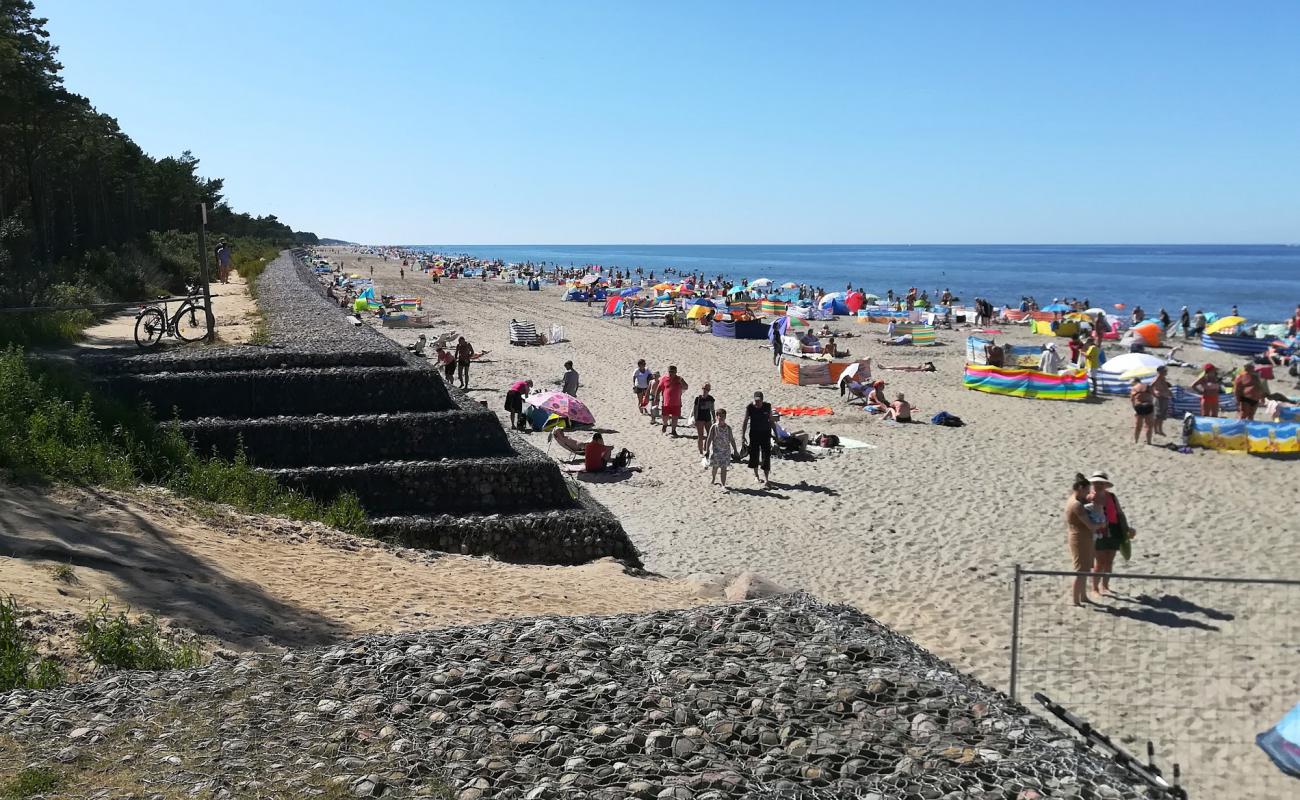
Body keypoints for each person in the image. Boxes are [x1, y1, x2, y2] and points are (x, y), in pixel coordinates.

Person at [1088, 472, 1132, 597]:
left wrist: (1126, 528)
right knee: (1100, 561)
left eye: (1101, 483)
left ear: (1105, 484)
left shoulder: (1112, 496)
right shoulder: (1089, 497)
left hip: (1114, 530)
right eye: (1096, 483)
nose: (1098, 485)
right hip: (1098, 531)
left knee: (1109, 560)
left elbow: (1120, 513)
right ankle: (1094, 588)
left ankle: (1105, 586)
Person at [1064, 473, 1097, 607]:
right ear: (1081, 488)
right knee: (1080, 570)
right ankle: (1076, 600)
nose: (1087, 494)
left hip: (1085, 537)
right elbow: (1090, 525)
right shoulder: (1076, 504)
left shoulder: (1077, 499)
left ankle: (1083, 596)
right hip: (1079, 538)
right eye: (1086, 491)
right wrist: (1100, 524)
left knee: (1086, 568)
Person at [742, 391, 775, 485]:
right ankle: (756, 476)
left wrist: (775, 433)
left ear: (762, 400)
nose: (757, 402)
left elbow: (771, 420)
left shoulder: (767, 406)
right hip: (754, 434)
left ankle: (767, 479)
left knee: (766, 456)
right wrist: (743, 436)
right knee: (754, 455)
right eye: (756, 400)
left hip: (765, 433)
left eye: (759, 401)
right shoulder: (750, 407)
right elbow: (745, 421)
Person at [704, 408, 740, 488]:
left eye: (723, 416)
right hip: (716, 450)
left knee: (724, 468)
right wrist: (707, 450)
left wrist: (735, 450)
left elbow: (731, 439)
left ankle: (723, 484)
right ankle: (713, 479)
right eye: (720, 416)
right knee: (715, 467)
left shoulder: (728, 428)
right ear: (717, 417)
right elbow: (709, 438)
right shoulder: (714, 427)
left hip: (725, 451)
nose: (722, 418)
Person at [658, 365, 688, 436]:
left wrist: (681, 381)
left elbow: (686, 387)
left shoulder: (679, 379)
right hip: (666, 402)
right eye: (670, 372)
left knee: (675, 417)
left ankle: (673, 430)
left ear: (676, 372)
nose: (671, 373)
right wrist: (656, 396)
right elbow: (659, 388)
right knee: (665, 416)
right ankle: (665, 425)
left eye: (673, 372)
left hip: (676, 402)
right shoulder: (664, 379)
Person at [692, 383, 716, 455]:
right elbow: (694, 409)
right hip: (699, 418)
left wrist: (714, 418)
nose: (705, 390)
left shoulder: (711, 399)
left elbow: (712, 409)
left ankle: (706, 448)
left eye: (707, 389)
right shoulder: (698, 398)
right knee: (700, 436)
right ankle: (701, 452)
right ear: (702, 388)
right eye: (704, 388)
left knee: (710, 434)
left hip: (707, 418)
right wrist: (695, 419)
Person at [1130, 378, 1155, 445]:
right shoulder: (1148, 386)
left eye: (1131, 382)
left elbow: (1132, 400)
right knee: (1149, 426)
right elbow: (1153, 396)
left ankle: (1136, 441)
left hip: (1139, 406)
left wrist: (1135, 409)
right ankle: (1149, 442)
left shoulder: (1134, 388)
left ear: (1135, 381)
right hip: (1148, 406)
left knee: (1138, 426)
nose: (1130, 384)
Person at [1150, 365, 1173, 436]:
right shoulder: (1157, 378)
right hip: (1160, 398)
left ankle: (1160, 430)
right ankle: (1156, 430)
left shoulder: (1163, 378)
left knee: (1162, 416)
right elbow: (1150, 387)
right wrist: (1154, 394)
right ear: (1161, 371)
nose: (1166, 372)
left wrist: (1169, 393)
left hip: (1164, 398)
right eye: (1165, 371)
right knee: (1158, 416)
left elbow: (1165, 388)